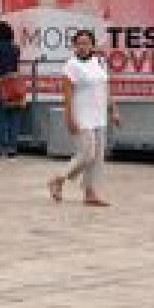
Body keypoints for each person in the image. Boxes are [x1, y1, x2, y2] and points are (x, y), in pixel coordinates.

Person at [48, 29, 121, 207]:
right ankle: (59, 178)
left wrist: (114, 110)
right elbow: (66, 94)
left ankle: (90, 193)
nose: (83, 46)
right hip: (82, 116)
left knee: (97, 158)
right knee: (87, 154)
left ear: (93, 45)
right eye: (79, 43)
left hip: (99, 115)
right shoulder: (71, 65)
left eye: (86, 43)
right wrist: (69, 117)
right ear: (74, 46)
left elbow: (105, 88)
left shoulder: (99, 62)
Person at [0, 21, 23, 158]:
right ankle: (12, 148)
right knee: (14, 116)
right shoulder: (16, 48)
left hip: (0, 83)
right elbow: (15, 66)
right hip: (14, 82)